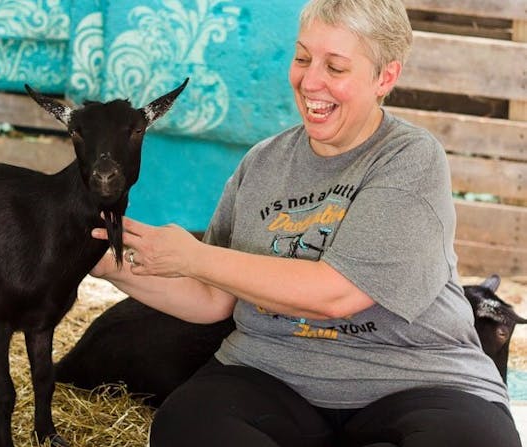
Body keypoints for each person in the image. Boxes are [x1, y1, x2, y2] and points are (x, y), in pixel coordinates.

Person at [87, 0, 523, 446]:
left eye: (335, 67)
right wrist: (104, 262)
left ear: (385, 77)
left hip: (416, 380)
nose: (309, 81)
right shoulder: (262, 163)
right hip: (272, 374)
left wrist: (196, 256)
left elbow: (336, 294)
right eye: (302, 58)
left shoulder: (410, 158)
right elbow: (213, 298)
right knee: (186, 425)